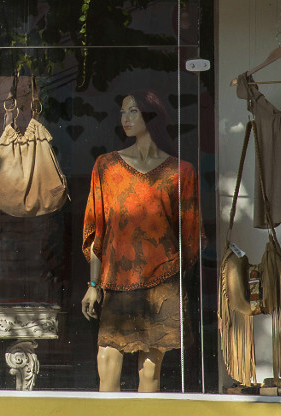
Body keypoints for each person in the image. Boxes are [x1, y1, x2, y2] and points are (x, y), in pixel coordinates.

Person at [80, 90, 201, 392]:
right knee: (107, 360)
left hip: (162, 279)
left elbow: (190, 233)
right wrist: (93, 285)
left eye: (133, 111)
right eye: (123, 112)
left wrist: (178, 278)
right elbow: (97, 229)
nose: (126, 118)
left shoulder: (180, 172)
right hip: (116, 279)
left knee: (150, 370)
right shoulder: (106, 167)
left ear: (151, 115)